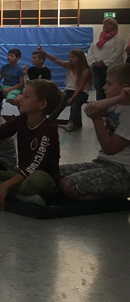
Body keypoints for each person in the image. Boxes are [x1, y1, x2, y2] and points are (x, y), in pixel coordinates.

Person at [0, 79, 63, 209]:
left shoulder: (48, 129)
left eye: (26, 96)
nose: (20, 98)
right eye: (22, 94)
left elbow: (35, 165)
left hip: (40, 178)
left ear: (42, 104)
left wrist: (6, 184)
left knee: (39, 178)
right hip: (21, 173)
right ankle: (18, 196)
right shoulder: (20, 120)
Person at [57, 64, 130, 201]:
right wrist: (121, 97)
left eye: (108, 84)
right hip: (104, 163)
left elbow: (109, 149)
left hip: (124, 172)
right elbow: (93, 107)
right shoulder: (116, 105)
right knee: (54, 173)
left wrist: (96, 119)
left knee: (67, 185)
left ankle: (117, 199)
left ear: (125, 87)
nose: (104, 87)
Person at [39, 47, 92, 132]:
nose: (70, 59)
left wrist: (72, 98)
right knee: (61, 102)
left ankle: (71, 123)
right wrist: (45, 53)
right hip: (69, 90)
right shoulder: (69, 66)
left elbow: (80, 87)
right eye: (70, 57)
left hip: (82, 92)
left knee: (75, 103)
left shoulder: (86, 70)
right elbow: (56, 60)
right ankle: (49, 120)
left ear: (80, 58)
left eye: (73, 57)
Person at [87, 17, 125, 100]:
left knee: (112, 87)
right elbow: (91, 50)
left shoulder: (118, 38)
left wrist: (105, 62)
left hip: (111, 67)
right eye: (104, 24)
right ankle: (100, 105)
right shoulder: (97, 38)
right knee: (99, 88)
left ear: (114, 26)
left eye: (108, 24)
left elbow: (118, 52)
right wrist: (93, 61)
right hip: (96, 67)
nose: (105, 26)